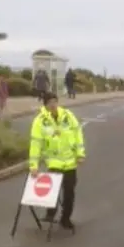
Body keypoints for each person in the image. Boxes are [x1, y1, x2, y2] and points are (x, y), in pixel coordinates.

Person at [28, 92, 85, 229]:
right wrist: (33, 166)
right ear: (45, 104)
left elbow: (78, 134)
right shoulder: (40, 121)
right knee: (52, 191)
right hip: (54, 162)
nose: (53, 105)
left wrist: (80, 153)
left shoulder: (68, 116)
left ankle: (66, 218)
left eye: (55, 101)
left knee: (69, 193)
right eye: (50, 102)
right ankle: (50, 213)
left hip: (70, 162)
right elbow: (36, 144)